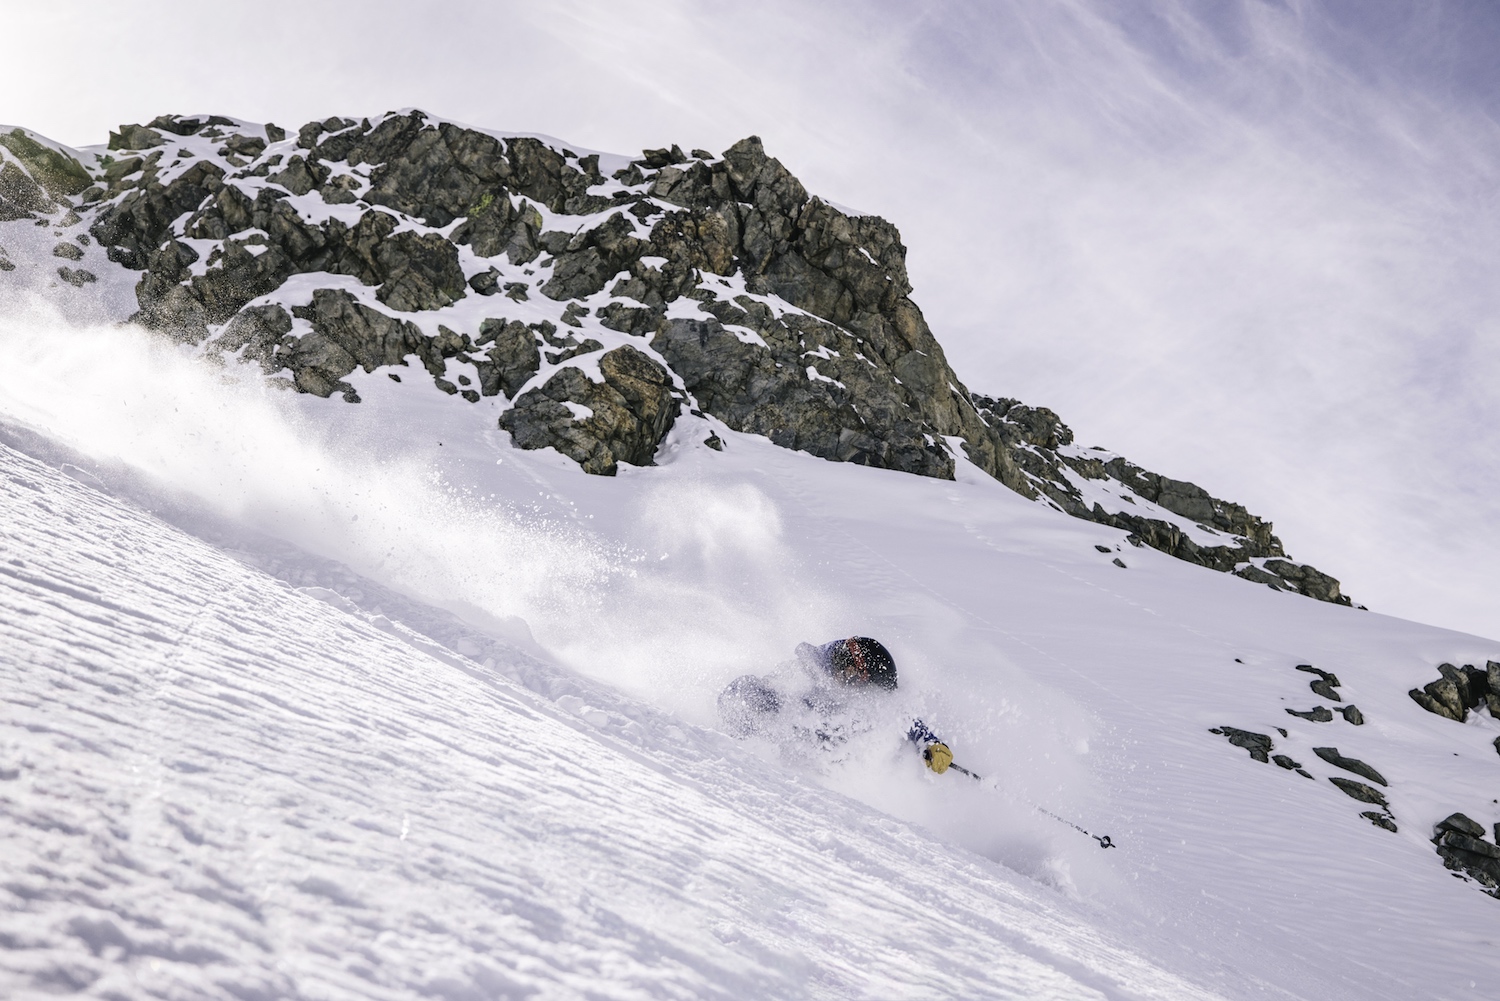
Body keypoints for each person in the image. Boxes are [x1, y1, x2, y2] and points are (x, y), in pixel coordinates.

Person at [717, 636, 954, 773]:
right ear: (846, 663)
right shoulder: (800, 677)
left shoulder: (849, 689)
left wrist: (929, 741)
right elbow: (741, 696)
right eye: (859, 679)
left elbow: (899, 714)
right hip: (773, 767)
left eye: (864, 683)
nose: (858, 687)